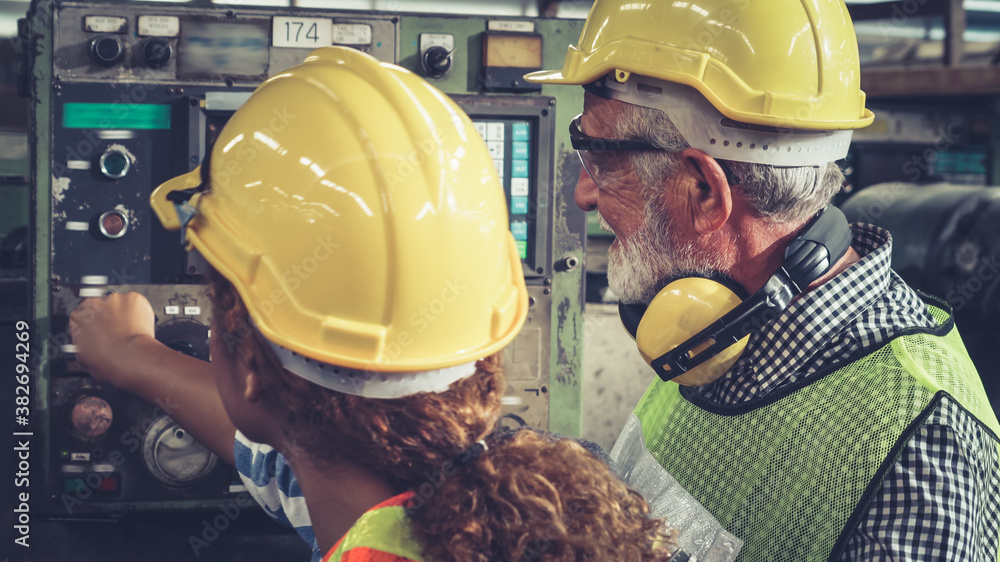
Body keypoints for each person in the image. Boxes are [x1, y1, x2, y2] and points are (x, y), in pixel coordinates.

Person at [70, 46, 679, 561]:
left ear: (250, 368)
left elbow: (308, 440)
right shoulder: (539, 509)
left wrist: (132, 352)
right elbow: (301, 463)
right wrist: (136, 357)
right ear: (487, 354)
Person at [524, 0, 1000, 560]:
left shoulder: (919, 458)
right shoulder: (712, 324)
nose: (583, 194)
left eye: (600, 160)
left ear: (704, 190)